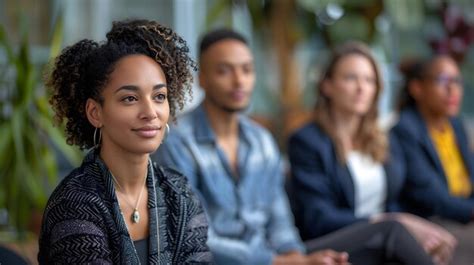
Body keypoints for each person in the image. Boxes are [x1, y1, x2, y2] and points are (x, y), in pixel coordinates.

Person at [153, 29, 434, 265]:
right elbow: (195, 238)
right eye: (224, 71)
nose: (239, 81)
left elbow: (280, 220)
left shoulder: (261, 141)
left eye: (247, 70)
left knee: (383, 243)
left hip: (277, 257)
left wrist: (296, 256)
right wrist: (281, 261)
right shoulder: (178, 140)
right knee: (390, 232)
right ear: (201, 78)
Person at [38, 19, 212, 264]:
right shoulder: (75, 204)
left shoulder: (179, 194)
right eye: (130, 98)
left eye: (159, 96)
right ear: (95, 113)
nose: (150, 112)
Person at [287, 42, 456, 265]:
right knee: (394, 230)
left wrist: (421, 233)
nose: (361, 88)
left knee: (433, 239)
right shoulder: (307, 141)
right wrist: (386, 221)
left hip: (380, 241)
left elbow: (397, 200)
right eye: (350, 78)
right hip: (329, 243)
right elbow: (318, 217)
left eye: (369, 80)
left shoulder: (384, 139)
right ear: (327, 86)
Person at [391, 54, 474, 264]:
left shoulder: (455, 126)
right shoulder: (405, 131)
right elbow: (431, 196)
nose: (452, 90)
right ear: (417, 88)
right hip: (432, 220)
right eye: (442, 81)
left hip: (462, 213)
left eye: (456, 81)